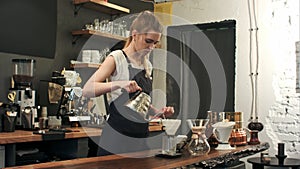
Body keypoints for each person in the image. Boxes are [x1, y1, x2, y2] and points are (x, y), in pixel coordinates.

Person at [82, 10, 174, 156]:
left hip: (139, 137)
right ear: (135, 34)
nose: (151, 48)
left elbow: (137, 100)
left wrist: (157, 112)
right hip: (116, 137)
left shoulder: (146, 65)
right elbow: (87, 89)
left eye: (155, 43)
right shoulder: (117, 57)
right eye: (148, 41)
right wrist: (119, 84)